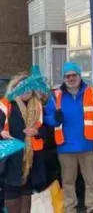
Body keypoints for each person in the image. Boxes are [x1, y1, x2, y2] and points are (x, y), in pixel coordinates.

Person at [44, 62, 93, 213]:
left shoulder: (92, 93)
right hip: (65, 146)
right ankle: (69, 208)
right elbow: (47, 117)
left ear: (80, 76)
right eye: (68, 76)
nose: (71, 78)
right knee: (67, 182)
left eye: (74, 75)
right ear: (64, 78)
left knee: (91, 181)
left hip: (88, 145)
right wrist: (55, 119)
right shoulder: (56, 97)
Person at [0, 74, 48, 213]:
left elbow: (46, 130)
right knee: (12, 200)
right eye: (22, 87)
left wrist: (37, 132)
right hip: (11, 160)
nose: (26, 90)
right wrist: (1, 132)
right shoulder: (6, 105)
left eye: (29, 87)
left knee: (27, 203)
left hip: (31, 161)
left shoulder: (37, 105)